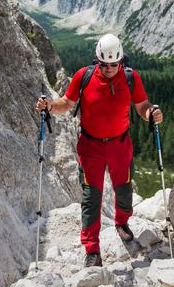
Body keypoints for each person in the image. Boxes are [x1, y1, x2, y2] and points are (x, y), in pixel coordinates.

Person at [35, 33, 163, 267]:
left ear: (121, 61)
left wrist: (151, 114)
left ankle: (121, 223)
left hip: (119, 145)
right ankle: (92, 250)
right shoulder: (84, 77)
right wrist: (51, 106)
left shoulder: (130, 77)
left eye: (114, 64)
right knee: (91, 198)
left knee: (123, 189)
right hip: (90, 146)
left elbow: (141, 105)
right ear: (98, 60)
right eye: (105, 65)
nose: (110, 68)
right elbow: (67, 103)